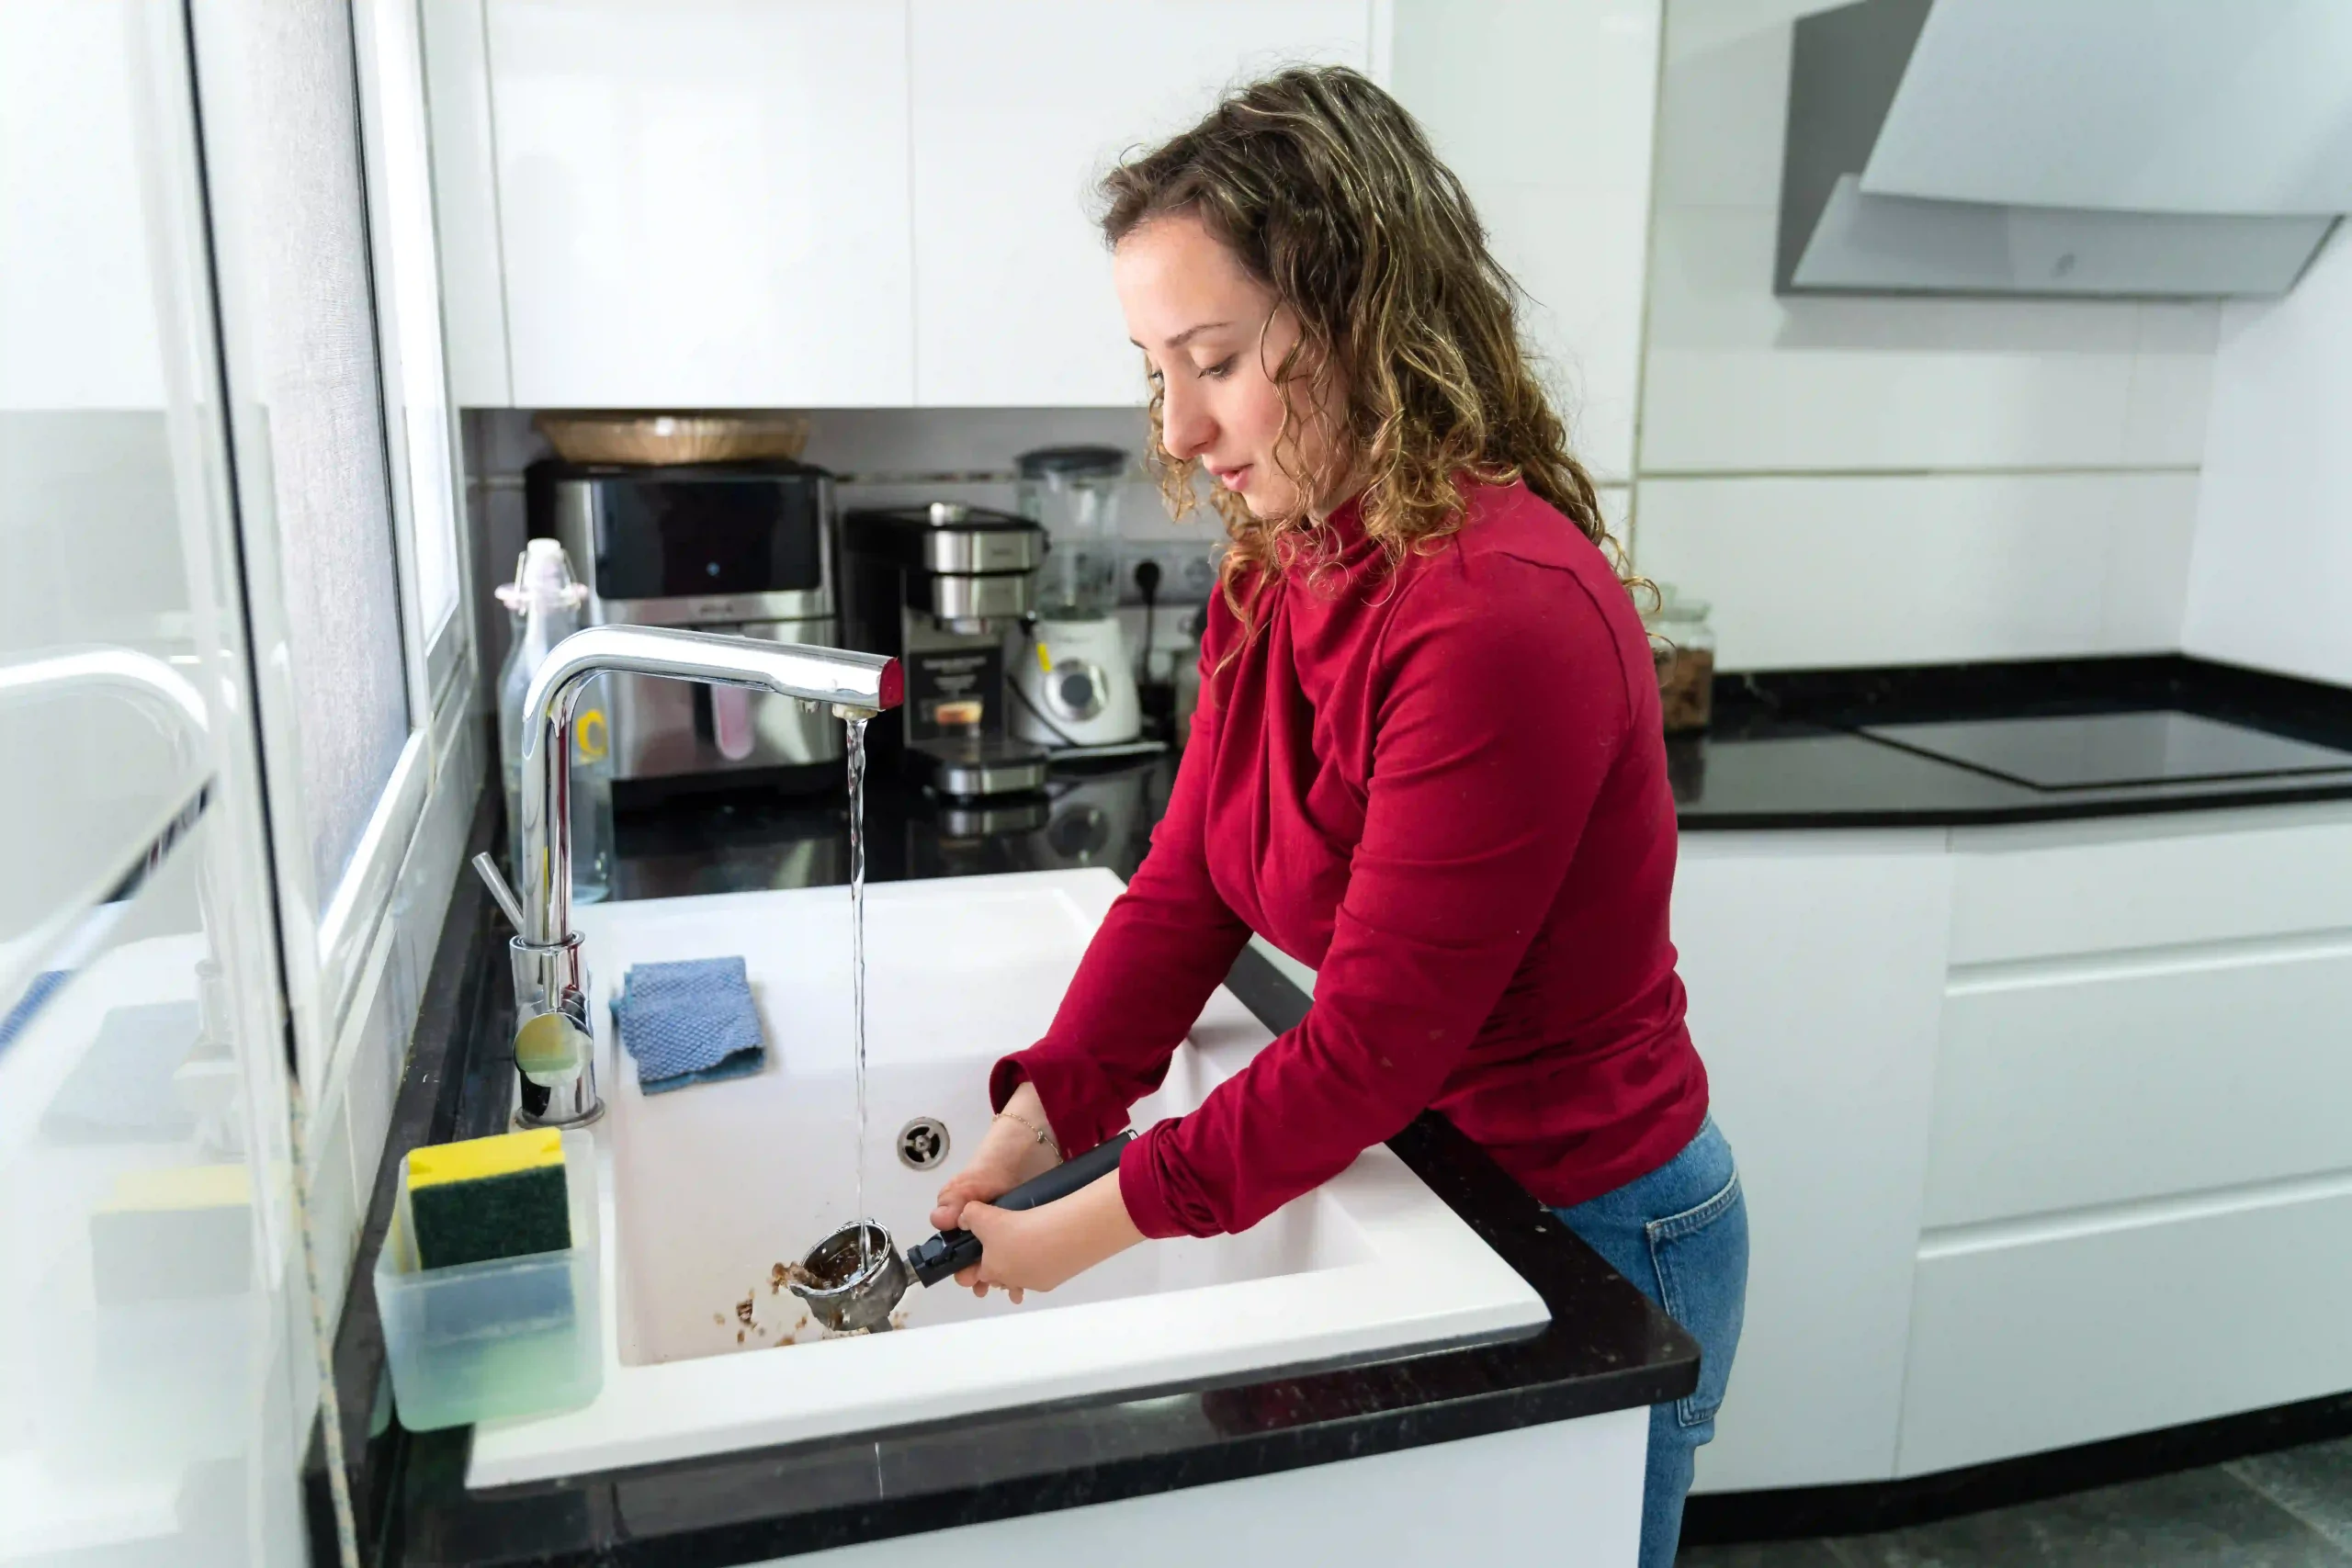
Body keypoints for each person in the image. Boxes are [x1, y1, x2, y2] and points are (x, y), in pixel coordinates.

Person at [927, 64, 1747, 1567]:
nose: (1175, 426)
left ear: (1357, 318)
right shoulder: (1281, 559)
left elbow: (1370, 1045)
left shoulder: (1500, 608)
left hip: (1593, 1232)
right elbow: (1187, 887)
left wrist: (1083, 1221)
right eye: (1155, 366)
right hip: (1435, 1188)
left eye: (1216, 359)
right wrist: (1046, 1109)